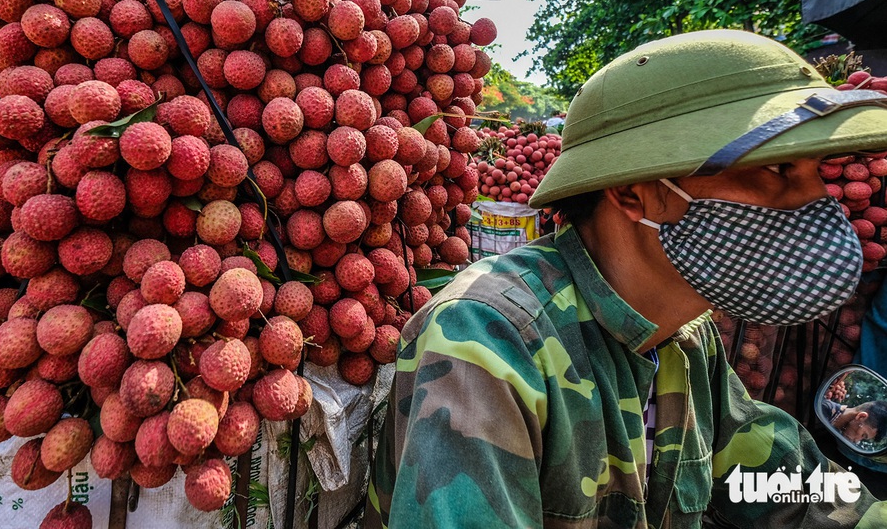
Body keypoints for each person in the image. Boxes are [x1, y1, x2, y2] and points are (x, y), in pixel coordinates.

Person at [368, 30, 887, 528]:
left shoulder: (688, 334)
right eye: (776, 170)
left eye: (815, 170)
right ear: (637, 193)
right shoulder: (487, 342)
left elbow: (783, 482)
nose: (816, 199)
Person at [822, 398, 887, 446]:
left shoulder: (833, 437)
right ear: (861, 417)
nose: (856, 440)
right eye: (863, 435)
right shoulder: (823, 409)